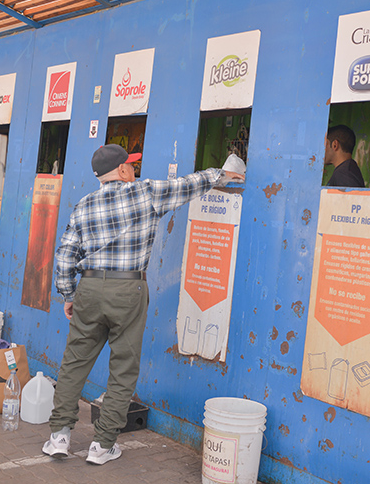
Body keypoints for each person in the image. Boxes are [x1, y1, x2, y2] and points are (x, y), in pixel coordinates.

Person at [43, 144, 244, 465]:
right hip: (128, 288)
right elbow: (189, 184)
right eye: (131, 166)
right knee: (123, 368)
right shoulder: (145, 193)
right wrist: (223, 173)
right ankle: (102, 445)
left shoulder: (83, 205)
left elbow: (65, 256)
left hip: (89, 288)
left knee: (75, 362)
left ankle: (59, 437)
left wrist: (68, 294)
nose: (134, 171)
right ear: (123, 170)